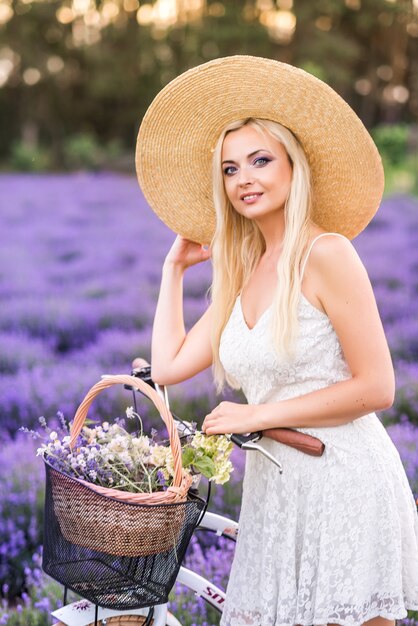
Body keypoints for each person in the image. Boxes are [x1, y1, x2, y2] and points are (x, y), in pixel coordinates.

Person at [136, 56, 418, 626]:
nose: (245, 179)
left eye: (261, 160)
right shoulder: (241, 273)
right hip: (276, 492)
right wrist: (173, 271)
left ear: (295, 166)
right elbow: (166, 367)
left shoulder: (328, 254)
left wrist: (254, 413)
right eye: (230, 169)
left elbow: (378, 387)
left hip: (342, 480)